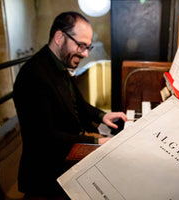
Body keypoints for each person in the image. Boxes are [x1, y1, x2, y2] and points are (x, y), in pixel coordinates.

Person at [13, 11, 127, 199]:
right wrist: (96, 142)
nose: (85, 53)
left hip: (65, 155)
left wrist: (101, 116)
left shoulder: (58, 63)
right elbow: (46, 139)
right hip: (46, 173)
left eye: (88, 47)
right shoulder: (33, 76)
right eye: (81, 46)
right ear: (59, 37)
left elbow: (77, 103)